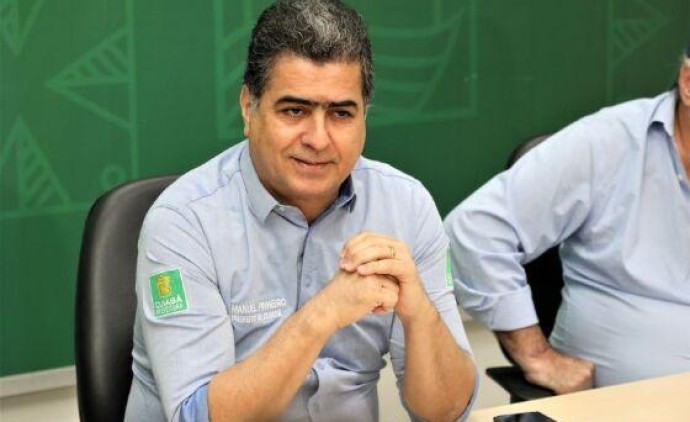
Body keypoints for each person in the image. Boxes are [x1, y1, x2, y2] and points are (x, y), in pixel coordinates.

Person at [124, 1, 477, 421]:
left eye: (341, 113)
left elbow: (447, 412)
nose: (318, 139)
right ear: (248, 107)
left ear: (365, 116)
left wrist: (419, 314)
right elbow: (195, 417)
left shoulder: (407, 207)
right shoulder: (184, 222)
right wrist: (323, 313)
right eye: (295, 110)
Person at [444, 46, 690, 394]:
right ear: (688, 82)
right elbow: (471, 230)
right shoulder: (609, 142)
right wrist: (537, 357)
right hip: (620, 406)